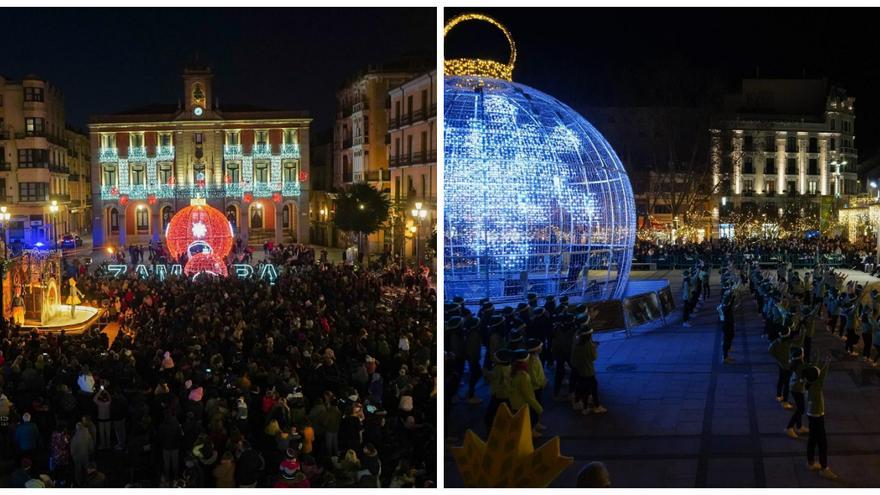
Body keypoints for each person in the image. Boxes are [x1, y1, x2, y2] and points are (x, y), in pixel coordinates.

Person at [803, 353, 837, 480]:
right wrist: (827, 364)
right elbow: (822, 376)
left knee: (812, 439)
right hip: (817, 416)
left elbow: (816, 372)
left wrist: (818, 360)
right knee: (823, 444)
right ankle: (824, 468)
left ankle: (811, 462)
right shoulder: (816, 387)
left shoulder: (809, 383)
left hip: (811, 415)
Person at [508, 349, 543, 437]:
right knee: (529, 418)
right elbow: (528, 395)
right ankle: (531, 432)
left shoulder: (512, 371)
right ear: (525, 360)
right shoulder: (524, 376)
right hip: (523, 404)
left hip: (515, 403)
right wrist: (538, 407)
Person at [785, 347, 809, 439]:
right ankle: (789, 427)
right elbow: (804, 378)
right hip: (797, 389)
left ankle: (799, 427)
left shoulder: (796, 363)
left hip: (795, 387)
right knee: (800, 409)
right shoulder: (800, 367)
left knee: (800, 407)